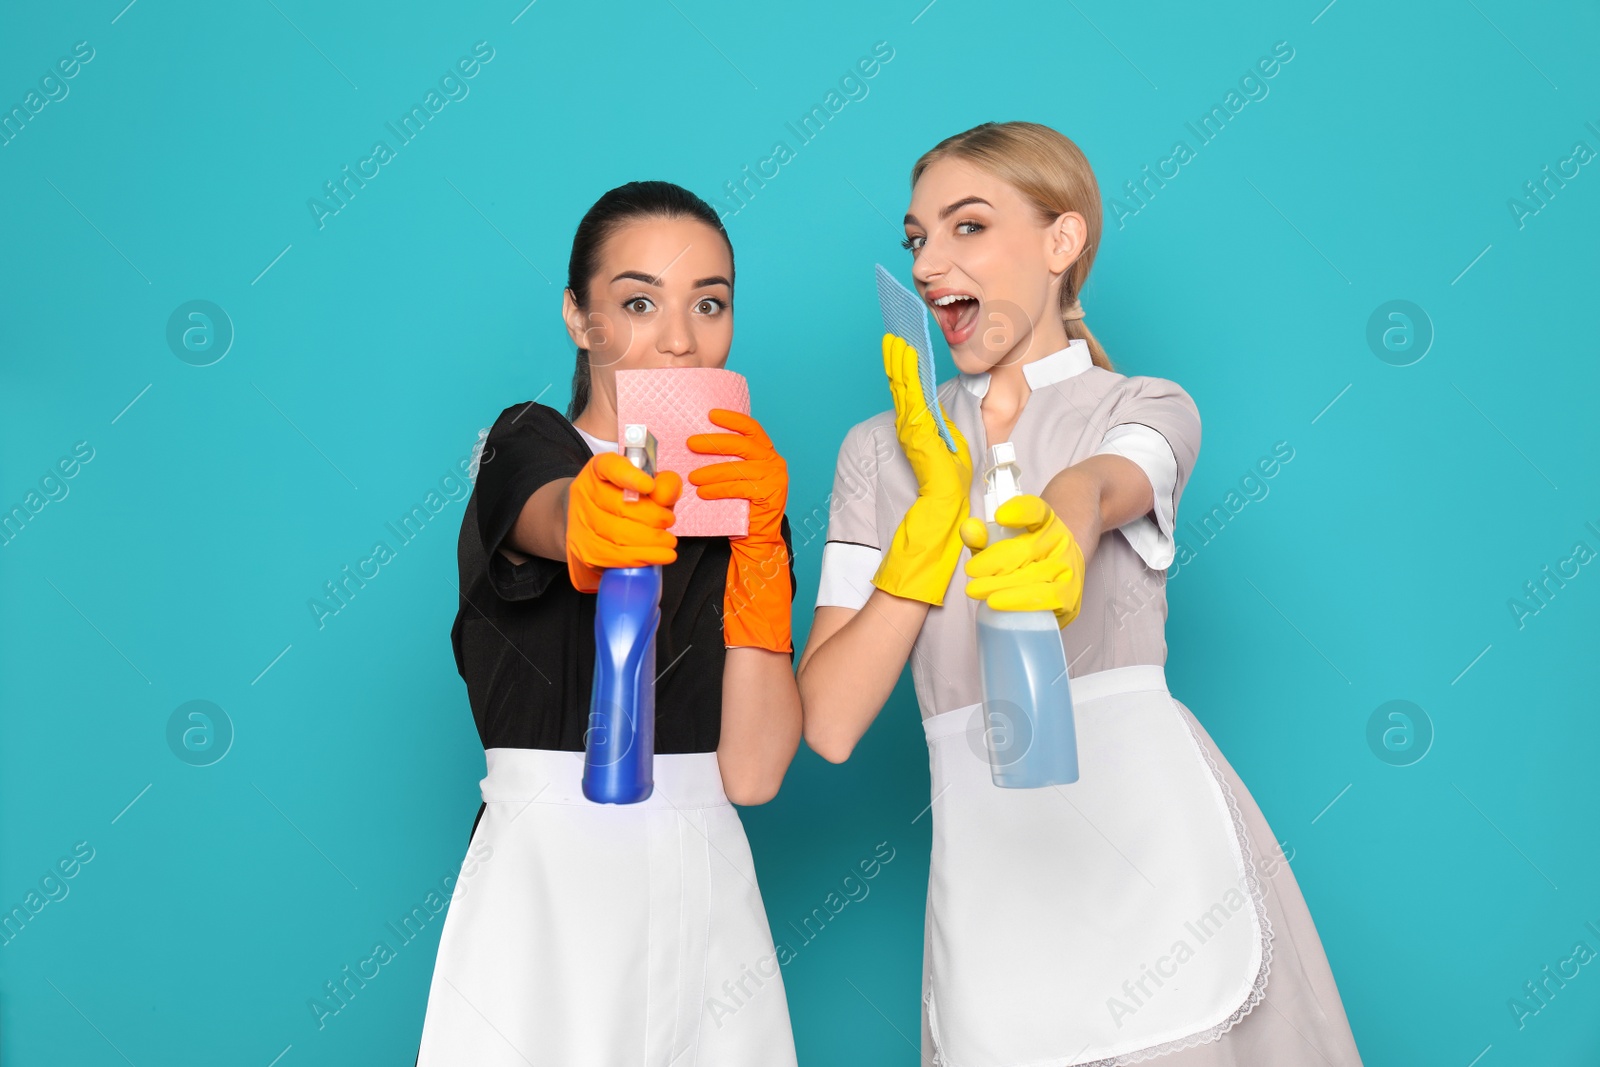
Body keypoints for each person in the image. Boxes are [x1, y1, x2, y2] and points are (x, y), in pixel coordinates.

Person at [798, 123, 1363, 1066]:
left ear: (1063, 243)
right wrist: (931, 523)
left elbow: (1110, 480)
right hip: (994, 881)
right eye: (917, 239)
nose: (932, 262)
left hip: (1155, 858)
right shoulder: (879, 450)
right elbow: (828, 722)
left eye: (967, 227)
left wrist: (1064, 516)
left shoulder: (1143, 403)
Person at [416, 180, 802, 1066]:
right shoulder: (528, 442)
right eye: (637, 302)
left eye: (710, 303)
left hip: (707, 885)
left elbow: (752, 771)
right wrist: (588, 523)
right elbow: (545, 507)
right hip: (547, 888)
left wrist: (762, 554)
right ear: (578, 318)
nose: (679, 337)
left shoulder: (752, 495)